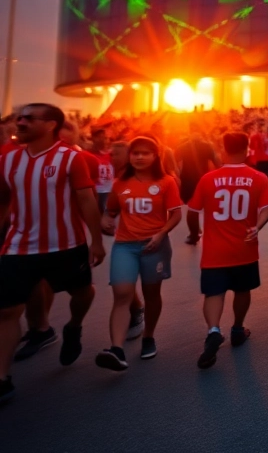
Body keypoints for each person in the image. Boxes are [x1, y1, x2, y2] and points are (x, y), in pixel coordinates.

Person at [0, 104, 106, 402]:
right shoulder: (7, 160)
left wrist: (96, 241)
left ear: (50, 125)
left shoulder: (71, 158)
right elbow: (3, 200)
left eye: (28, 118)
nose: (20, 122)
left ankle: (74, 326)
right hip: (19, 247)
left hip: (66, 245)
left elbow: (86, 200)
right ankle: (3, 379)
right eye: (19, 118)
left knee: (82, 293)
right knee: (7, 311)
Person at [187, 132, 268, 369]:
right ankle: (237, 328)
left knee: (213, 293)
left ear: (222, 149)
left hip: (214, 251)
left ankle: (214, 330)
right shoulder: (258, 178)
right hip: (244, 248)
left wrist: (194, 233)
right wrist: (257, 227)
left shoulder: (208, 179)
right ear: (247, 150)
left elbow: (192, 211)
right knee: (242, 290)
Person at [97, 137, 182, 369]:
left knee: (151, 293)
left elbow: (176, 214)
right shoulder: (120, 183)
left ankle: (148, 337)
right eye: (135, 153)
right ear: (130, 156)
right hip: (125, 246)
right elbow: (111, 210)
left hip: (154, 246)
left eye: (146, 153)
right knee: (122, 294)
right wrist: (106, 219)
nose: (140, 157)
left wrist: (161, 234)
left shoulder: (166, 182)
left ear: (155, 156)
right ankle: (116, 349)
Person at [175, 126, 218, 246]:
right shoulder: (207, 146)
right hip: (203, 178)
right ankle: (204, 233)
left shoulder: (183, 147)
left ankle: (194, 235)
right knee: (207, 207)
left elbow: (176, 164)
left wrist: (178, 178)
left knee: (192, 208)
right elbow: (216, 162)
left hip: (189, 180)